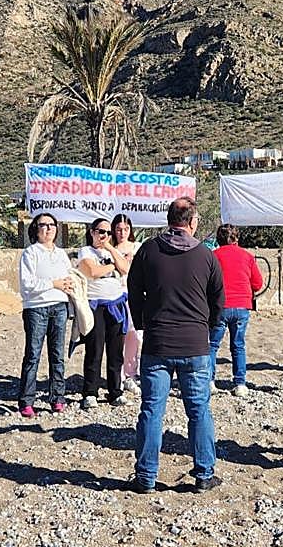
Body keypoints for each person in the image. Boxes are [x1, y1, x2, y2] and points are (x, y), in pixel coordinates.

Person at [126, 196, 225, 494]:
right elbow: (218, 299)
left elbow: (133, 291)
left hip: (158, 343)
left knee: (152, 411)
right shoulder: (206, 257)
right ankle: (204, 474)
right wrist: (205, 327)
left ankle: (146, 477)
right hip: (194, 345)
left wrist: (144, 322)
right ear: (193, 223)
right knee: (198, 411)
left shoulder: (148, 251)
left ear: (169, 220)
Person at [17, 212, 74, 417]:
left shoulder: (61, 254)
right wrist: (54, 284)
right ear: (35, 229)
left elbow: (69, 279)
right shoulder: (30, 253)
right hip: (36, 309)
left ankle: (57, 397)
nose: (48, 228)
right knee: (33, 355)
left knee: (57, 355)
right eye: (43, 225)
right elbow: (27, 285)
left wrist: (68, 285)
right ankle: (26, 400)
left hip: (59, 307)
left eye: (52, 225)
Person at [76, 217, 132, 409]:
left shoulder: (111, 249)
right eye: (101, 231)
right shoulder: (85, 251)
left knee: (116, 352)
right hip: (96, 305)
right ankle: (90, 392)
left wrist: (109, 249)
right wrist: (112, 267)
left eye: (108, 232)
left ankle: (115, 391)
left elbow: (125, 269)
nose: (105, 236)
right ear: (92, 232)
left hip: (115, 304)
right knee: (95, 349)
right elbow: (92, 271)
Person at [209, 224, 264, 396]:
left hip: (220, 306)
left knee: (212, 345)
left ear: (218, 239)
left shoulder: (213, 256)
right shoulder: (247, 256)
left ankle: (210, 381)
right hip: (242, 305)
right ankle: (240, 383)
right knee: (238, 345)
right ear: (236, 239)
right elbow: (258, 283)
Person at [111, 214, 144, 393]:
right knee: (118, 336)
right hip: (116, 295)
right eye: (118, 229)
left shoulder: (138, 248)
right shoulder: (110, 249)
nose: (122, 232)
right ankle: (118, 375)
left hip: (134, 296)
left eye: (125, 229)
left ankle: (131, 373)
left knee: (135, 336)